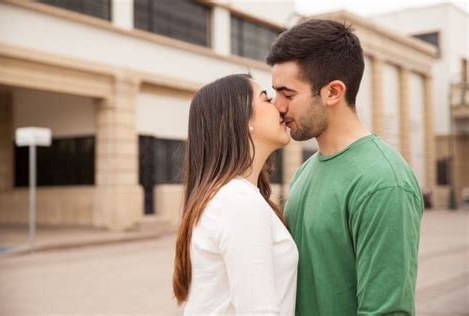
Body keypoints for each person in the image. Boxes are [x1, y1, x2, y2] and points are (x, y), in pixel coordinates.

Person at [266, 19, 424, 315]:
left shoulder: (383, 182)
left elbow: (386, 310)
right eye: (275, 93)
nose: (278, 106)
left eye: (288, 94)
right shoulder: (306, 171)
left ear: (333, 92)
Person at [172, 74, 298, 315]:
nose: (280, 107)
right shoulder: (238, 202)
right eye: (266, 99)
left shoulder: (235, 197)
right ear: (242, 120)